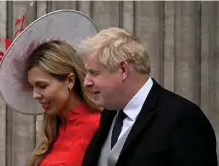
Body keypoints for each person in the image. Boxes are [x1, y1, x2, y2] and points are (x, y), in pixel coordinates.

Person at [79, 27, 218, 166]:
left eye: (94, 73)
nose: (86, 82)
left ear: (123, 70)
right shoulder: (110, 113)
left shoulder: (182, 117)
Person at [0, 10, 101, 166]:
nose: (35, 95)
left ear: (70, 80)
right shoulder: (54, 130)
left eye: (42, 86)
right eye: (32, 87)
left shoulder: (99, 127)